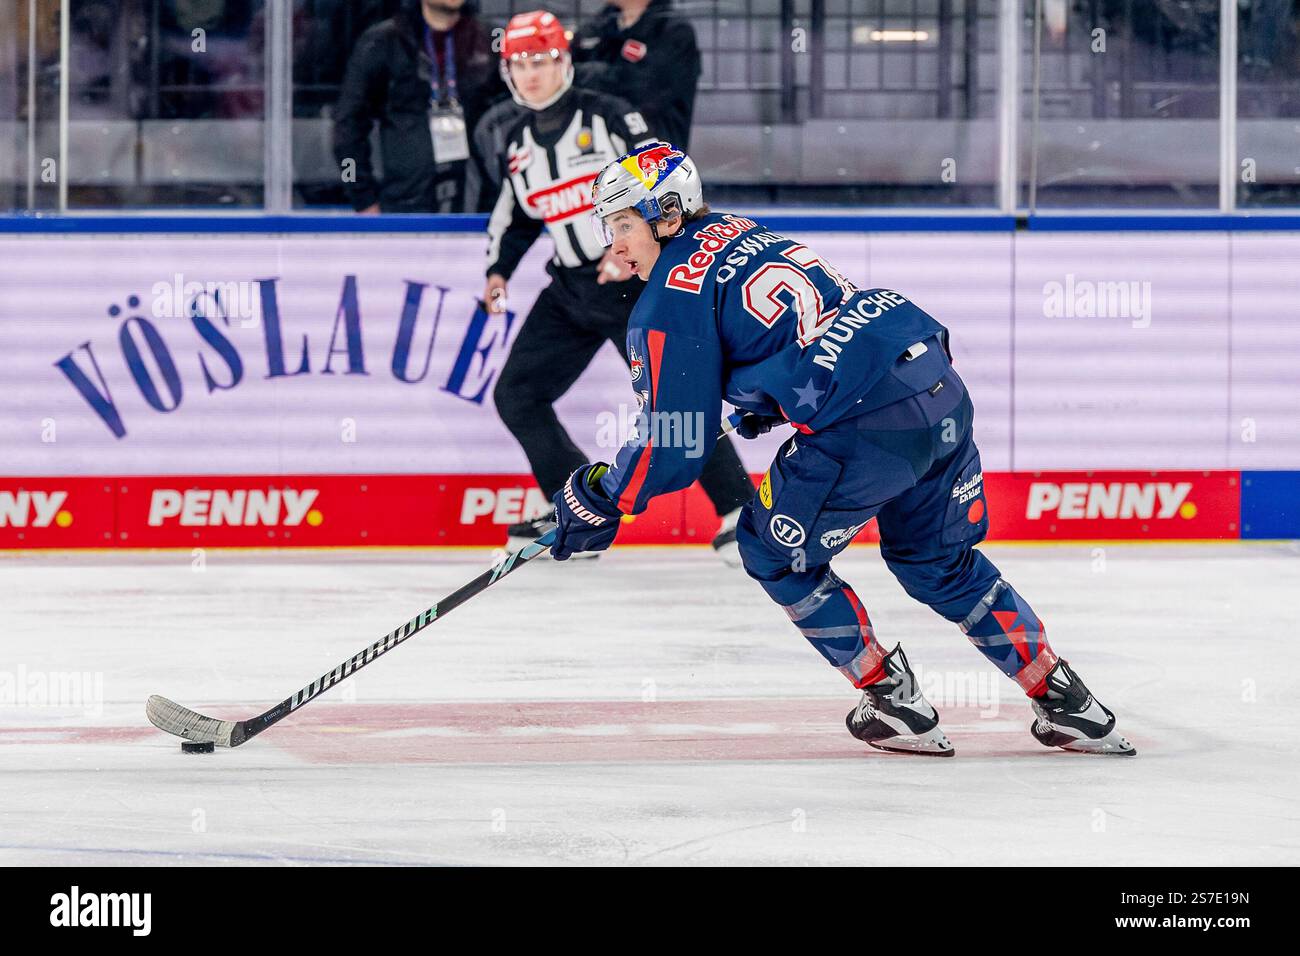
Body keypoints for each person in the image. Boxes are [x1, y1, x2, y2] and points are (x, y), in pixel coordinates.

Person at [546, 140, 1136, 758]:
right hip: (935, 387)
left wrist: (601, 497)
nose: (614, 245)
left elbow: (675, 444)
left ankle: (892, 700)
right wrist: (768, 398)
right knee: (937, 561)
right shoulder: (741, 230)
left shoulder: (667, 299)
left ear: (667, 214)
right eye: (608, 227)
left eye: (624, 224)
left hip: (865, 424)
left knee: (770, 552)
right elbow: (804, 329)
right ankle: (1069, 702)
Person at [484, 11, 753, 560]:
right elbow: (518, 218)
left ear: (565, 61)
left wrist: (628, 247)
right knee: (517, 394)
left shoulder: (609, 115)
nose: (530, 74)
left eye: (541, 61)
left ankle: (739, 511)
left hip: (633, 281)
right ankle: (576, 512)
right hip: (570, 290)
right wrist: (498, 271)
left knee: (676, 398)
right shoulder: (514, 141)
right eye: (519, 64)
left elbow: (665, 180)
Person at [333, 0, 503, 213]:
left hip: (479, 203)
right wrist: (361, 197)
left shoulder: (491, 39)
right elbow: (347, 126)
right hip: (407, 206)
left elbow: (521, 113)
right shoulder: (382, 41)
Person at [571, 0, 701, 149]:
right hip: (595, 149)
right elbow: (566, 73)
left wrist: (586, 74)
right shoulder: (599, 25)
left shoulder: (673, 30)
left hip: (653, 152)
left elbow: (645, 89)